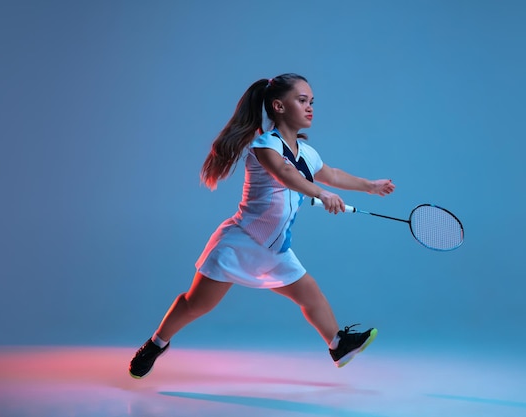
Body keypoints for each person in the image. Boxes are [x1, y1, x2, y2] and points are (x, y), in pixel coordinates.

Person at [129, 73, 395, 378]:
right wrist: (320, 193)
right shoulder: (265, 145)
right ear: (279, 106)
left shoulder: (307, 152)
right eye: (302, 100)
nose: (310, 108)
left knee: (310, 294)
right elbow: (286, 174)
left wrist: (369, 186)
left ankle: (338, 345)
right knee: (195, 305)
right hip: (240, 242)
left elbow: (332, 174)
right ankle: (156, 343)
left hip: (276, 247)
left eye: (312, 102)